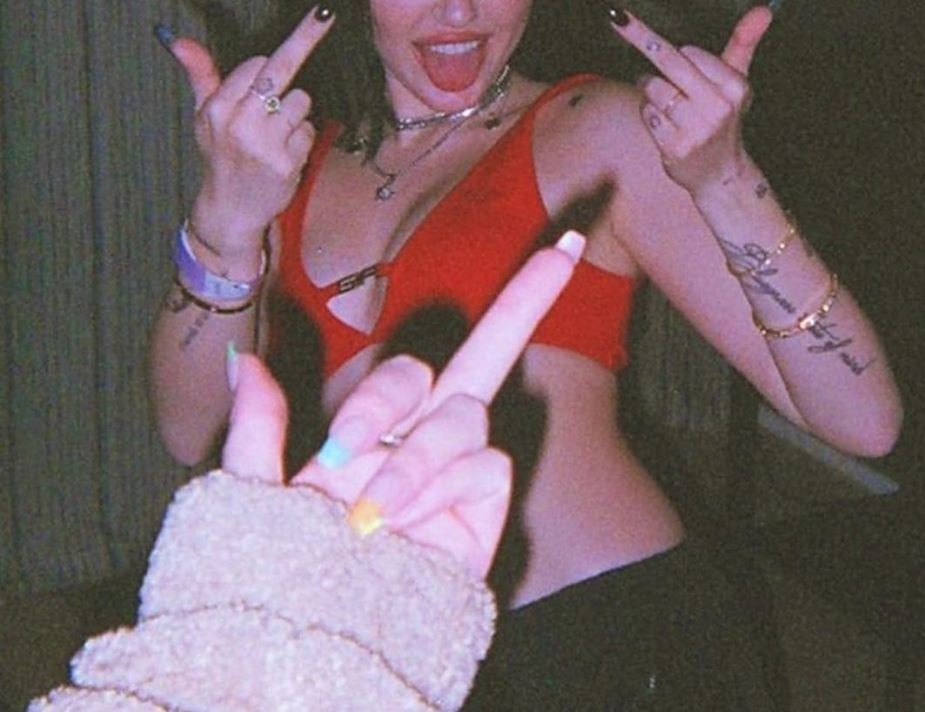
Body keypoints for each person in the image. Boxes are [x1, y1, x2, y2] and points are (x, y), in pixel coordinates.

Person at [149, 0, 902, 707]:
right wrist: (224, 218)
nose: (459, 6)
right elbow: (191, 429)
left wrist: (725, 179)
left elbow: (863, 420)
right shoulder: (284, 159)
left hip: (614, 651)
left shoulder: (592, 129)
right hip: (399, 662)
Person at [33, 237, 582, 710]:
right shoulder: (289, 168)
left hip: (581, 614)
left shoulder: (591, 142)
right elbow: (186, 431)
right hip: (383, 557)